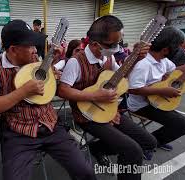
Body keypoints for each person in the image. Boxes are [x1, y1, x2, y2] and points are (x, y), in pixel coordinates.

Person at [0, 19, 95, 180]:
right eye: (30, 46)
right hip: (17, 132)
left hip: (50, 126)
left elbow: (47, 85)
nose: (35, 50)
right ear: (13, 49)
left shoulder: (36, 60)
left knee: (86, 172)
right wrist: (23, 91)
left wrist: (52, 63)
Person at [58, 15, 157, 180]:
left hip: (108, 110)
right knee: (132, 150)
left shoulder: (108, 57)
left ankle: (98, 148)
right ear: (96, 44)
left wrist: (135, 60)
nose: (117, 48)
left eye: (120, 42)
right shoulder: (75, 62)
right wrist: (95, 94)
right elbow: (63, 90)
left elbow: (122, 77)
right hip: (86, 114)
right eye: (113, 44)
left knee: (149, 142)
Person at [128, 26, 185, 152]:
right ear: (166, 50)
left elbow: (175, 70)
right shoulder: (144, 64)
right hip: (141, 105)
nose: (181, 50)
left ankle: (152, 142)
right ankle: (146, 144)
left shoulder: (163, 60)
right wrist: (162, 91)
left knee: (181, 125)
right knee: (182, 125)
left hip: (156, 101)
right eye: (178, 47)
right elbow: (133, 89)